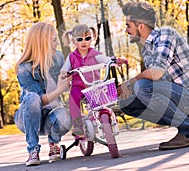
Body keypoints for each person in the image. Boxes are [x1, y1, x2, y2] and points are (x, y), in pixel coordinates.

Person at [117, 1, 189, 150]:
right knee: (128, 103)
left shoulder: (165, 34)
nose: (126, 30)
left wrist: (130, 83)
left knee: (142, 86)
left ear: (140, 26)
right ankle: (188, 121)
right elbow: (158, 85)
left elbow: (157, 72)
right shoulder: (147, 49)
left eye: (128, 25)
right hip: (181, 97)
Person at [14, 22, 72, 166]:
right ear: (43, 42)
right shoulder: (24, 68)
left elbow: (65, 85)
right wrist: (59, 89)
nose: (57, 43)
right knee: (32, 97)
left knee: (65, 114)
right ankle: (33, 150)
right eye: (53, 40)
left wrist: (69, 83)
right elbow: (38, 101)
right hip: (28, 117)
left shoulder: (58, 57)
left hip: (50, 115)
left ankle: (54, 144)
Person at [61, 24, 127, 139]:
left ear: (91, 39)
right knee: (73, 97)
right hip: (79, 86)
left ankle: (105, 117)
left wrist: (116, 61)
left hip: (94, 85)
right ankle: (78, 127)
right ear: (74, 41)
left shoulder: (94, 54)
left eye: (87, 38)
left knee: (101, 101)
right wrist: (64, 73)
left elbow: (106, 60)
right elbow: (65, 68)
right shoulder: (72, 57)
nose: (84, 42)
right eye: (80, 39)